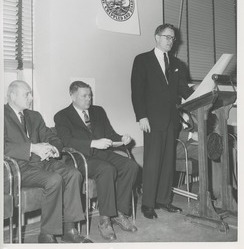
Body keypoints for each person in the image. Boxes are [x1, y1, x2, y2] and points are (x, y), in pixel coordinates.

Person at [4, 80, 92, 243]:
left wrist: (53, 149)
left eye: (30, 93)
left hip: (42, 163)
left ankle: (69, 229)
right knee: (54, 180)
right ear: (13, 95)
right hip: (18, 167)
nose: (30, 98)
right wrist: (31, 148)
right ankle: (47, 234)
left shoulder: (34, 116)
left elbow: (52, 137)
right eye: (26, 94)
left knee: (73, 173)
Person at [54, 81, 139, 241]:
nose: (88, 99)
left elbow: (110, 133)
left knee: (131, 166)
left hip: (101, 154)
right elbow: (66, 141)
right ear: (72, 96)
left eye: (90, 95)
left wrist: (122, 138)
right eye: (84, 96)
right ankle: (105, 220)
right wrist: (92, 143)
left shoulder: (98, 111)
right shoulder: (62, 116)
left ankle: (118, 213)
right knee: (107, 169)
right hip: (79, 157)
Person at [131, 23, 194, 219]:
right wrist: (141, 116)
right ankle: (148, 204)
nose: (170, 41)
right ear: (157, 37)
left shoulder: (177, 64)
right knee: (152, 162)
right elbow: (137, 91)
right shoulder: (142, 60)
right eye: (167, 37)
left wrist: (203, 94)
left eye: (173, 38)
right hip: (151, 120)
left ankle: (164, 200)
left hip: (172, 120)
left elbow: (184, 91)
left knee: (168, 162)